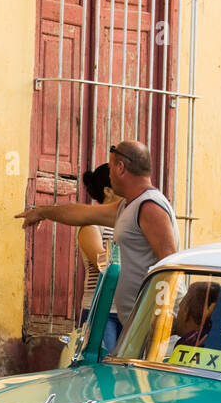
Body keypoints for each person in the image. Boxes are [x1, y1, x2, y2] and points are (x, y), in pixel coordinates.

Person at [17, 140, 178, 351]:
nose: (109, 174)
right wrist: (43, 212)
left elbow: (170, 264)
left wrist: (158, 320)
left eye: (111, 168)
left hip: (152, 328)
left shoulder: (150, 207)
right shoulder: (128, 206)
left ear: (121, 168)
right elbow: (83, 213)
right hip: (137, 325)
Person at [75, 164, 117, 323]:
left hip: (126, 311)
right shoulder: (91, 225)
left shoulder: (128, 222)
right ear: (107, 191)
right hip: (100, 310)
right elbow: (103, 263)